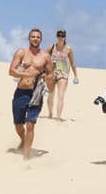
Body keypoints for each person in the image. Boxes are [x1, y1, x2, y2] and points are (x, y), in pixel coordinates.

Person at [9, 29, 53, 160]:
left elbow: (50, 73)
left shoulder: (45, 56)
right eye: (33, 37)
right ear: (29, 38)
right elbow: (11, 71)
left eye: (38, 37)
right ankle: (23, 140)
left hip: (36, 93)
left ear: (41, 40)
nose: (35, 39)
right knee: (18, 124)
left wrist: (48, 79)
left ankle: (26, 156)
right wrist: (26, 74)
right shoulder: (21, 52)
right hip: (21, 91)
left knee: (30, 124)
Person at [46, 28, 79, 120]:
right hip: (52, 73)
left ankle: (58, 117)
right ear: (56, 36)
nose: (61, 37)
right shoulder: (51, 47)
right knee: (51, 94)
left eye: (63, 36)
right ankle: (50, 112)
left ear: (65, 37)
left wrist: (76, 75)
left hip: (63, 73)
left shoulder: (68, 48)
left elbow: (72, 62)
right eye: (59, 35)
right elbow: (43, 58)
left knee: (61, 95)